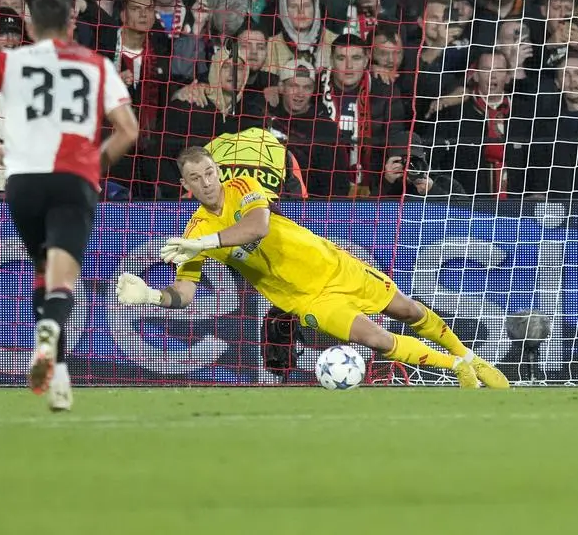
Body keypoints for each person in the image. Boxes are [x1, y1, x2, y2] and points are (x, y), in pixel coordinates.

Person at [114, 146, 508, 389]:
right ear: (185, 184)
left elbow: (258, 225)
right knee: (376, 340)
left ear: (219, 171)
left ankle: (470, 357)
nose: (206, 183)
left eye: (210, 173)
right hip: (307, 299)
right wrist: (151, 295)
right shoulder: (194, 232)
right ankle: (457, 366)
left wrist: (205, 243)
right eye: (195, 178)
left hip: (334, 267)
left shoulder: (243, 186)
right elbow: (184, 294)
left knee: (408, 310)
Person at [0, 0, 139, 411]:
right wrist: (97, 164)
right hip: (73, 179)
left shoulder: (13, 61)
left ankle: (58, 376)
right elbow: (128, 129)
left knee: (42, 265)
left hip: (22, 182)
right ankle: (49, 336)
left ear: (31, 27)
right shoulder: (97, 65)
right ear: (70, 27)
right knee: (63, 278)